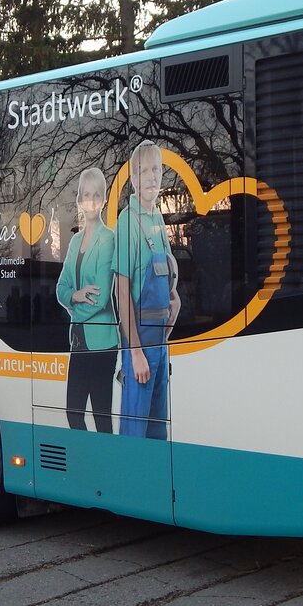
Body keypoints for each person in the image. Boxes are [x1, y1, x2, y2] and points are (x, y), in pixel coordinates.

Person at [114, 141, 179, 439]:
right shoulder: (128, 221)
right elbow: (122, 291)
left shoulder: (157, 218)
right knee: (135, 434)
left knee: (157, 433)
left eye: (156, 169)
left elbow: (165, 273)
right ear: (134, 179)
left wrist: (174, 302)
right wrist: (135, 352)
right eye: (144, 171)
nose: (152, 176)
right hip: (139, 346)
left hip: (160, 345)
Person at [55, 167, 118, 432]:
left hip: (103, 342)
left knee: (102, 416)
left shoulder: (108, 239)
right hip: (79, 340)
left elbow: (101, 297)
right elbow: (60, 287)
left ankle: (106, 466)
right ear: (79, 199)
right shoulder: (75, 241)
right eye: (86, 195)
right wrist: (75, 295)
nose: (91, 200)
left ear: (103, 199)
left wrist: (72, 303)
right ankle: (88, 462)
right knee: (73, 414)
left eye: (97, 195)